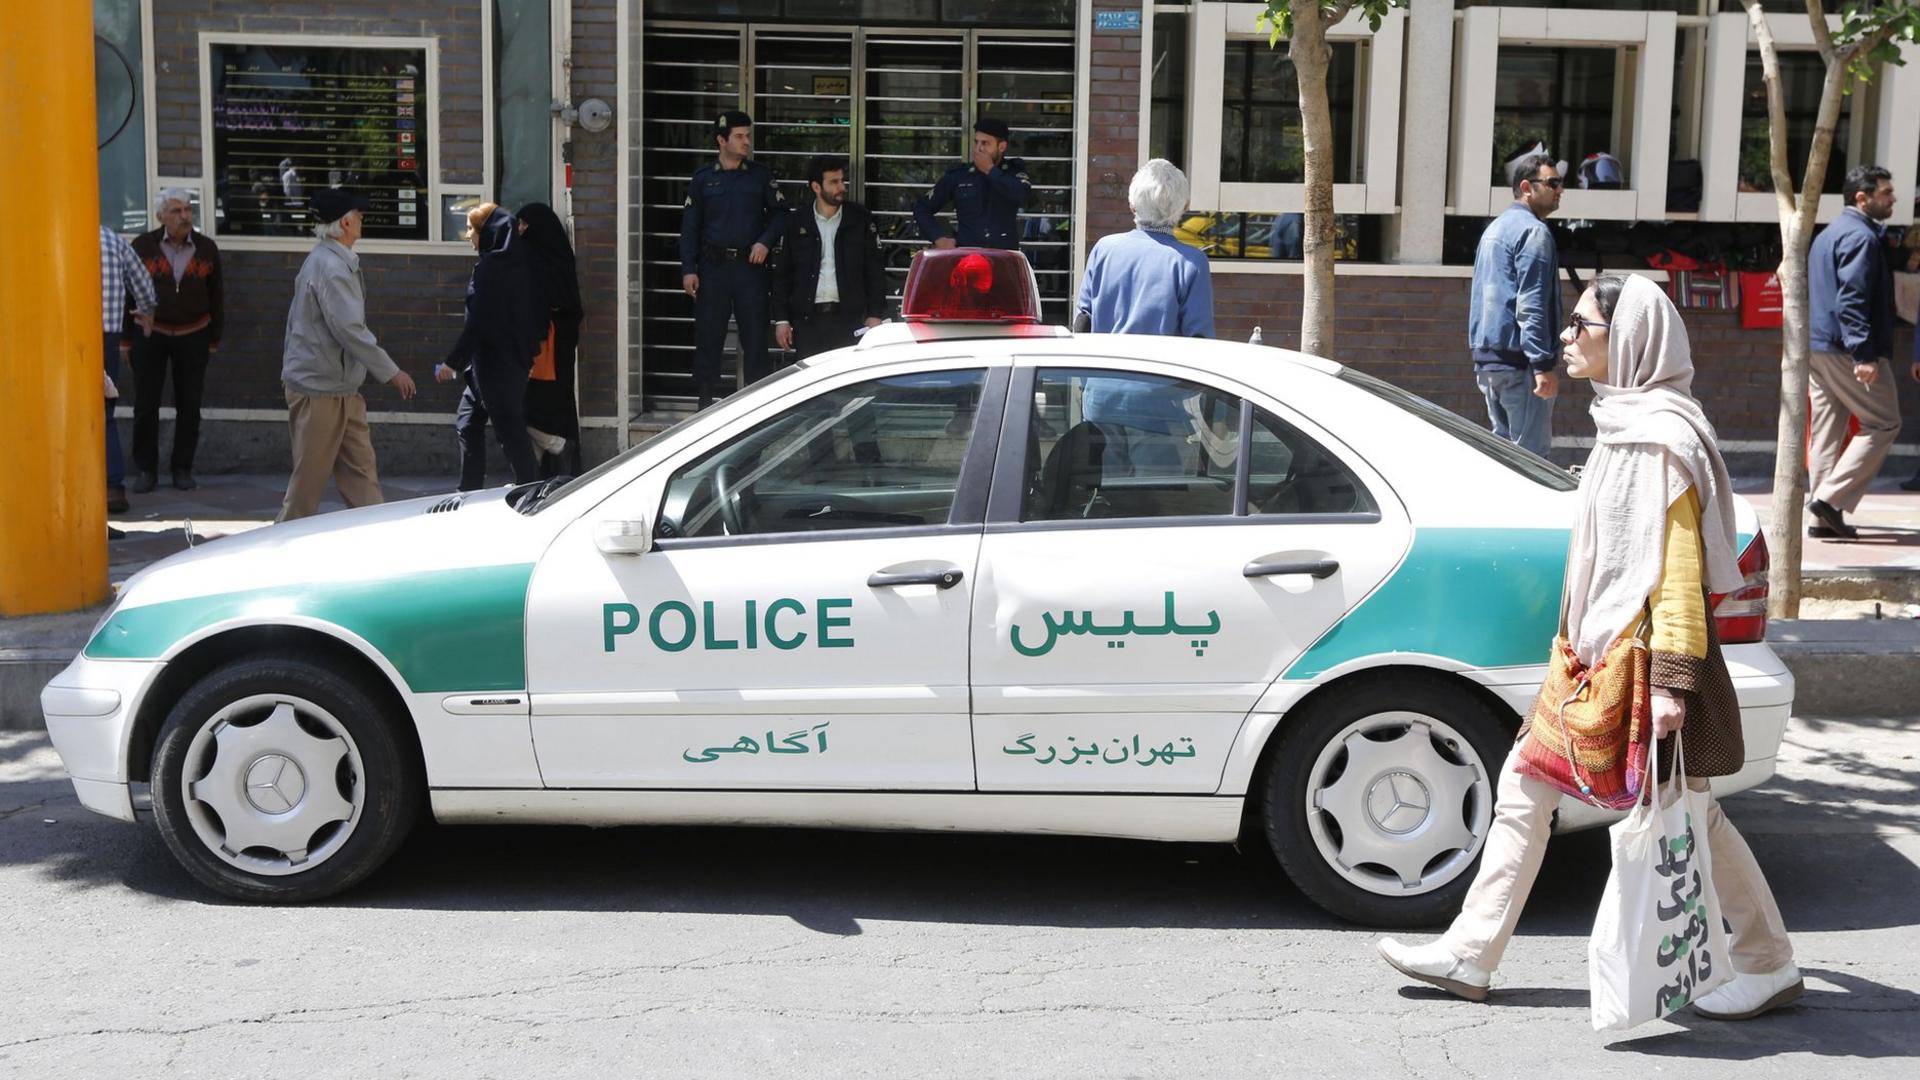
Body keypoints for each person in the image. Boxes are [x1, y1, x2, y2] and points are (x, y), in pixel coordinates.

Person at [1379, 274, 1801, 1021]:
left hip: (1639, 666)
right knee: (1527, 788)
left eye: (1583, 325)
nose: (1568, 336)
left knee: (1685, 809)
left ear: (1629, 339)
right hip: (1590, 658)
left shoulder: (1662, 439)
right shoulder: (1621, 423)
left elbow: (1674, 574)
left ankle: (1766, 960)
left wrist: (1671, 686)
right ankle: (1471, 953)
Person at [278, 189, 418, 522]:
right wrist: (392, 372)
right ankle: (279, 547)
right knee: (307, 486)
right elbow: (350, 330)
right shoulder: (331, 266)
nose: (362, 220)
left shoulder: (332, 260)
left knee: (361, 474)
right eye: (359, 215)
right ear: (344, 222)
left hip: (339, 387)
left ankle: (376, 537)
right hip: (319, 390)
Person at [1805, 165, 1913, 535]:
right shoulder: (1860, 238)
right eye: (1886, 192)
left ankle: (1821, 519)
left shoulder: (1829, 234)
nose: (1894, 198)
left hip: (1819, 347)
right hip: (1847, 350)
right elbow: (1851, 300)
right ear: (1861, 197)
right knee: (1884, 422)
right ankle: (1829, 500)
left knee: (1827, 431)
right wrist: (1864, 355)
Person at [679, 110, 785, 408]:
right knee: (709, 336)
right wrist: (689, 269)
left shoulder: (760, 176)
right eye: (739, 136)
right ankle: (705, 402)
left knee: (754, 338)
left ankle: (757, 406)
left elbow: (780, 216)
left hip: (750, 270)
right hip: (713, 270)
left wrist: (765, 241)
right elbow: (690, 227)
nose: (746, 142)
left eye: (747, 136)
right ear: (721, 140)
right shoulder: (702, 180)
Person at [433, 203, 543, 490]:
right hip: (495, 367)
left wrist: (451, 362)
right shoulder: (518, 265)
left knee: (510, 433)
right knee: (468, 423)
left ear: (488, 232)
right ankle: (468, 491)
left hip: (497, 369)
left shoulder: (491, 269)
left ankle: (531, 491)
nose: (467, 235)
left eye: (472, 228)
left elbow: (478, 322)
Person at [126, 188, 223, 493]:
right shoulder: (142, 246)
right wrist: (126, 341)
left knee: (190, 405)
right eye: (177, 211)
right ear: (160, 216)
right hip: (149, 334)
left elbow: (216, 295)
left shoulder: (207, 248)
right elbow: (128, 293)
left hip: (194, 333)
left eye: (188, 210)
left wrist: (214, 337)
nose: (185, 216)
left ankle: (183, 468)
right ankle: (146, 470)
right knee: (145, 405)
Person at [1468, 154, 1563, 458]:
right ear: (1526, 186)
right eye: (1552, 183)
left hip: (1489, 362)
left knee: (1505, 461)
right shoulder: (1533, 232)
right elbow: (1531, 304)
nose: (1560, 190)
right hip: (1520, 364)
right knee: (1531, 463)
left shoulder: (1494, 229)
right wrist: (1542, 364)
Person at [1075, 159, 1213, 338]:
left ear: (1132, 205)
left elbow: (1082, 322)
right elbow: (1199, 338)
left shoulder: (1103, 249)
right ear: (1185, 206)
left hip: (1105, 364)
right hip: (1160, 366)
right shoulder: (1192, 262)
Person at [771, 154, 889, 362]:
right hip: (808, 321)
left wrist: (875, 313)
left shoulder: (859, 219)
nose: (841, 187)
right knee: (809, 383)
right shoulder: (797, 221)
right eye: (834, 182)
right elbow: (783, 274)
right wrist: (782, 319)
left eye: (842, 180)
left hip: (849, 319)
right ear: (816, 187)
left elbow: (875, 270)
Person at [516, 202, 585, 478]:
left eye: (524, 225)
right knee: (545, 409)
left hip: (544, 349)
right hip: (556, 348)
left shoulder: (534, 260)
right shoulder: (559, 257)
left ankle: (555, 450)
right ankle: (534, 476)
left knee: (525, 409)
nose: (520, 230)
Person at [100, 225, 156, 515]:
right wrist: (146, 311)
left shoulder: (52, 236)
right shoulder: (112, 240)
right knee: (104, 412)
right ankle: (112, 489)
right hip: (106, 335)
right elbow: (143, 284)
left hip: (61, 335)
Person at [913, 116, 1031, 251]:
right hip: (968, 257)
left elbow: (1023, 196)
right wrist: (939, 238)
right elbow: (922, 208)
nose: (978, 148)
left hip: (1004, 256)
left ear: (1001, 146)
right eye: (976, 142)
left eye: (985, 143)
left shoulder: (1013, 172)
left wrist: (990, 170)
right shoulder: (960, 175)